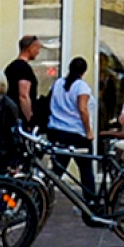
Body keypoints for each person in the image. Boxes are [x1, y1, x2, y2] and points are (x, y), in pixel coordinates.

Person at [45, 54, 96, 200]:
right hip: (76, 133)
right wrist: (89, 132)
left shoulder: (58, 83)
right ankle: (91, 201)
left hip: (57, 131)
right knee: (86, 170)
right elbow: (82, 109)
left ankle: (40, 198)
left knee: (56, 170)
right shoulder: (81, 87)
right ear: (84, 71)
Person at [4, 35, 43, 127]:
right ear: (30, 48)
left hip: (9, 115)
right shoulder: (24, 70)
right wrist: (29, 119)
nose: (38, 52)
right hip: (20, 117)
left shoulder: (10, 67)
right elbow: (23, 96)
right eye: (37, 48)